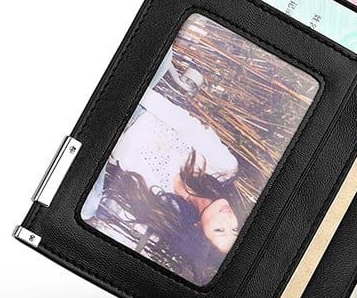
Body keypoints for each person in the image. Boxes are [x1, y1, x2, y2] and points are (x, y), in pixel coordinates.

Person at [83, 81, 244, 284]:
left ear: (198, 229)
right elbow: (185, 124)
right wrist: (132, 91)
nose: (229, 220)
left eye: (219, 230)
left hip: (105, 133)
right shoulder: (223, 167)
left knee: (86, 211)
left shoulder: (162, 212)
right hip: (138, 105)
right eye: (234, 229)